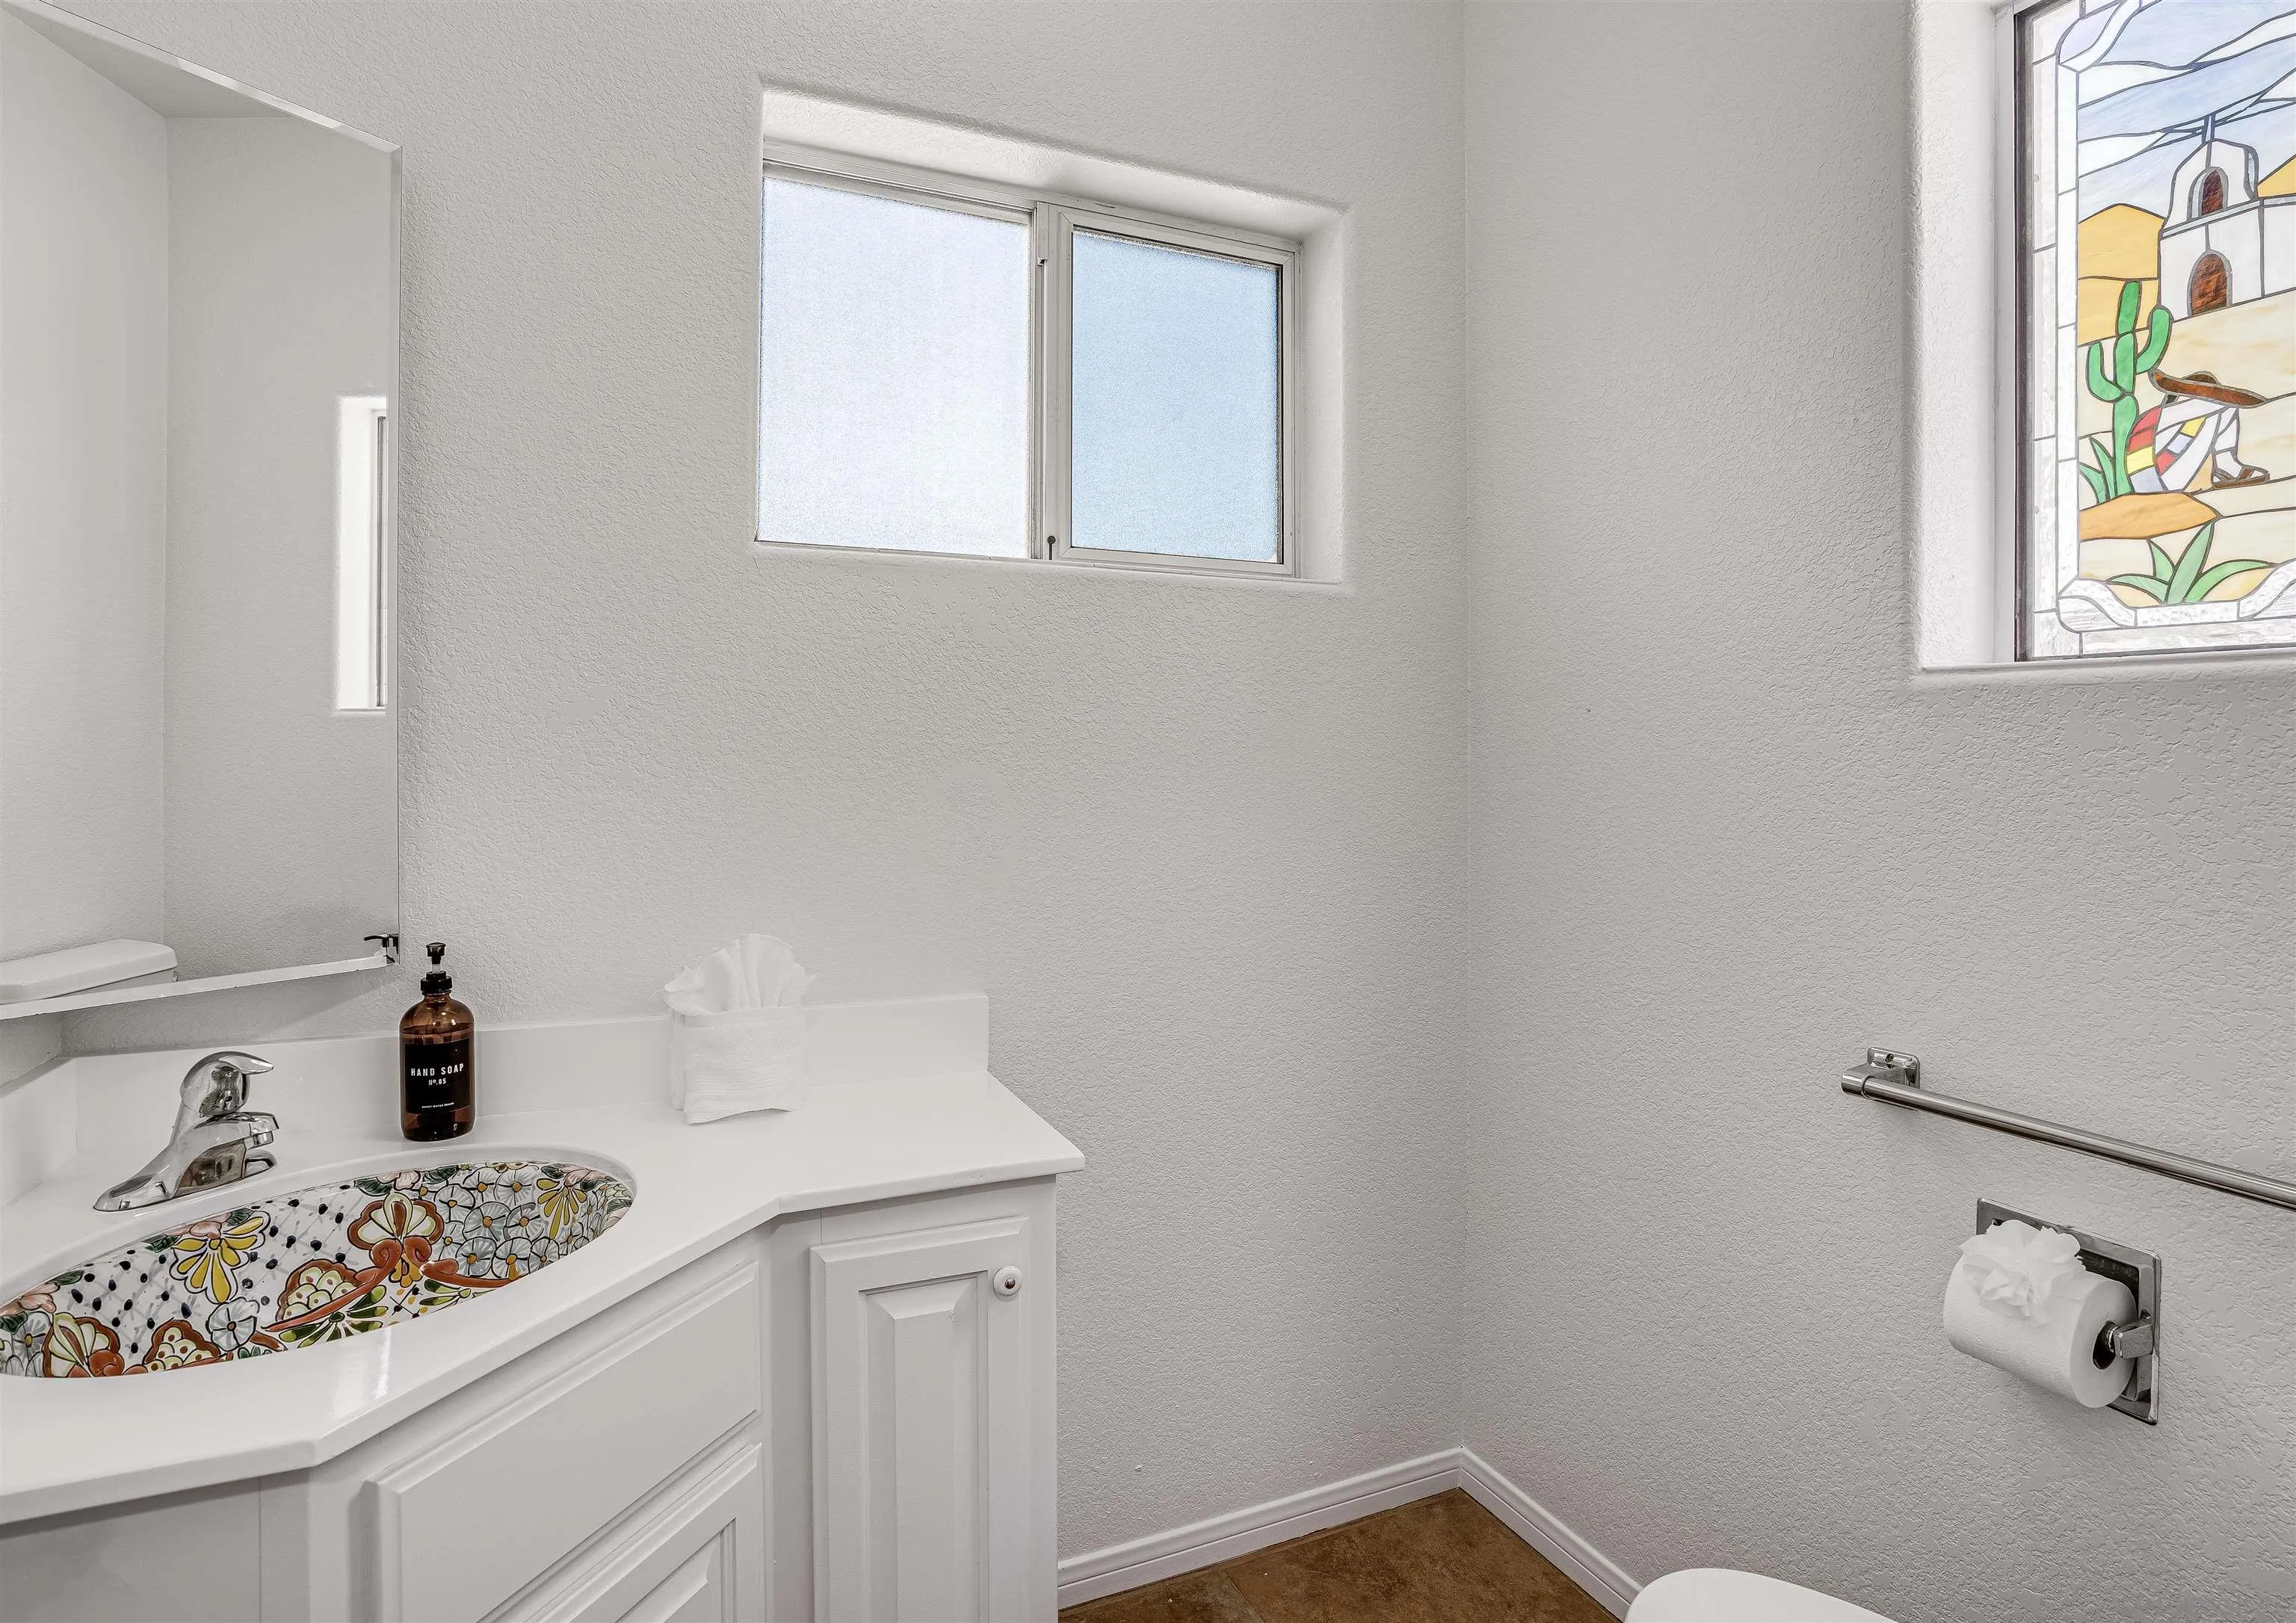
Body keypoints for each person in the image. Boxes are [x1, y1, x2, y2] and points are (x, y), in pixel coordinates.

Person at [2128, 369, 2272, 493]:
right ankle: (2227, 467)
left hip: (2162, 474)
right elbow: (2227, 403)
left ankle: (2226, 467)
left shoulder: (2185, 421)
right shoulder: (2166, 413)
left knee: (2224, 408)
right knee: (2223, 407)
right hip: (2153, 482)